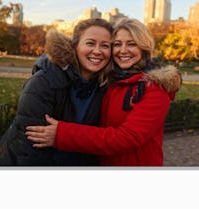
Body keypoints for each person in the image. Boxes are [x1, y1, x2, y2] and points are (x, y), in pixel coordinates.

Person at [25, 18, 182, 166]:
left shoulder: (154, 88)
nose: (123, 50)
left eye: (131, 44)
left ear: (144, 47)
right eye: (117, 44)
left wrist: (62, 134)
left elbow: (127, 137)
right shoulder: (110, 80)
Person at [0, 18, 113, 166]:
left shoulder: (104, 86)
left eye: (105, 46)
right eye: (90, 43)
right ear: (75, 46)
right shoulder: (44, 82)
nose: (97, 51)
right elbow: (29, 148)